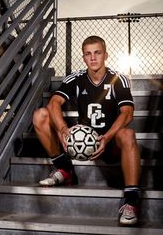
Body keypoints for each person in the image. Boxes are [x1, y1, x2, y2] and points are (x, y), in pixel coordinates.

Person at [33, 35, 141, 226]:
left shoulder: (118, 79)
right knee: (40, 115)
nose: (93, 58)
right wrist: (63, 129)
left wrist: (107, 137)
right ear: (83, 57)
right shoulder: (75, 79)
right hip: (82, 144)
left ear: (105, 55)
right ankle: (65, 169)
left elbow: (128, 113)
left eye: (97, 53)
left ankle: (131, 200)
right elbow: (54, 103)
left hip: (109, 142)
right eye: (88, 54)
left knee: (128, 133)